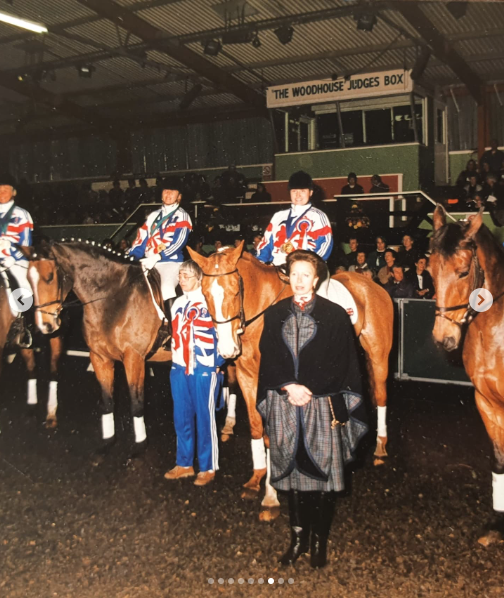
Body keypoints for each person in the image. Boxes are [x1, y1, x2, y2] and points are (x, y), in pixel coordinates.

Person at [257, 250, 367, 569]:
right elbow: (270, 358)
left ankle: (318, 543)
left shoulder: (334, 315)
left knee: (320, 478)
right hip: (285, 403)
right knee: (291, 476)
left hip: (320, 405)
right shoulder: (274, 313)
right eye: (294, 275)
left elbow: (343, 363)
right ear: (288, 277)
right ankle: (296, 541)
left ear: (316, 279)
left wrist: (310, 389)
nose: (300, 281)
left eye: (306, 275)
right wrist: (288, 386)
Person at [164, 261, 225, 486]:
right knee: (181, 417)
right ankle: (184, 464)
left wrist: (218, 362)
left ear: (199, 278)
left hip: (204, 366)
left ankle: (208, 466)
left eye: (187, 276)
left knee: (205, 417)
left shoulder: (210, 301)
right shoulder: (177, 303)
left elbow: (225, 333)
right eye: (180, 275)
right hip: (179, 367)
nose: (182, 279)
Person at [128, 176, 192, 315]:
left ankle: (171, 328)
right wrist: (132, 256)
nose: (168, 194)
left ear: (179, 196)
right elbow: (141, 239)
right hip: (147, 261)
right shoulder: (153, 216)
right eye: (166, 191)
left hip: (170, 262)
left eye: (172, 192)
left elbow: (178, 243)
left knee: (167, 288)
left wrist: (158, 256)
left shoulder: (183, 216)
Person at [255, 171, 333, 266]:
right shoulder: (278, 216)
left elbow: (324, 245)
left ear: (311, 192)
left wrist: (305, 264)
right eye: (294, 191)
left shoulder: (318, 216)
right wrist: (259, 263)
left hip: (305, 267)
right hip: (276, 267)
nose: (298, 195)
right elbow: (266, 243)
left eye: (303, 191)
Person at [0, 173, 34, 342]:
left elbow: (27, 247)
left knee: (21, 283)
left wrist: (11, 248)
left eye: (5, 190)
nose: (1, 193)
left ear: (13, 192)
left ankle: (21, 325)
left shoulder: (22, 215)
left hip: (15, 261)